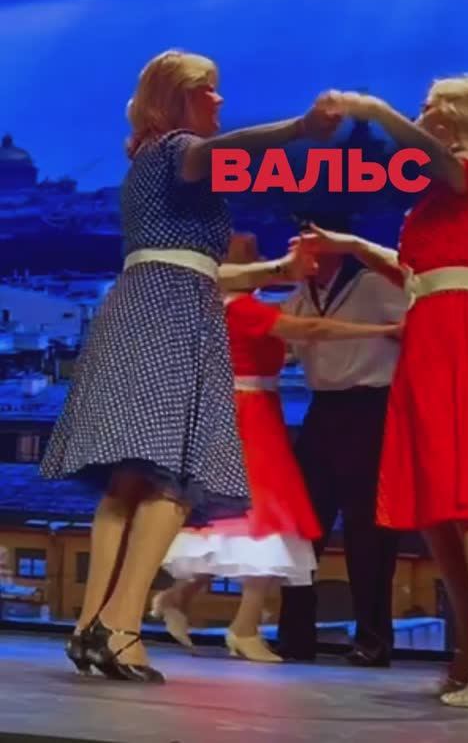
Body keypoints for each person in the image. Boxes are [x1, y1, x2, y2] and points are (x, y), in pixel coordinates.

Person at [39, 49, 341, 683]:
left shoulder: (148, 161)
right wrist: (301, 128)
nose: (219, 99)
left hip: (146, 305)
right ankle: (122, 629)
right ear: (177, 98)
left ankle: (91, 628)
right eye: (208, 89)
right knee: (173, 481)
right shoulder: (181, 148)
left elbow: (197, 265)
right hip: (175, 316)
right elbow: (227, 157)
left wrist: (275, 270)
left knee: (129, 483)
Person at [298, 79, 468, 705]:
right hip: (432, 332)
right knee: (439, 507)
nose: (424, 111)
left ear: (460, 115)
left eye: (434, 104)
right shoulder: (445, 190)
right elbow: (416, 274)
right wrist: (352, 245)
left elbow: (429, 161)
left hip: (460, 332)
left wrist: (374, 111)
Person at [153, 231, 401, 663]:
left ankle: (196, 603)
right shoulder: (243, 306)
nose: (267, 258)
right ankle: (246, 625)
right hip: (253, 415)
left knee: (265, 520)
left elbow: (294, 339)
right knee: (271, 518)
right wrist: (384, 330)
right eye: (251, 254)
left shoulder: (251, 305)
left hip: (279, 412)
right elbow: (311, 330)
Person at [276, 213, 407, 668]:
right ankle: (295, 635)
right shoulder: (301, 295)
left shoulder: (372, 284)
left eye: (309, 239)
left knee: (367, 531)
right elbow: (287, 345)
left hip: (371, 408)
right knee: (302, 523)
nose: (299, 247)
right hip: (323, 409)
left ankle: (373, 638)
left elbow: (413, 328)